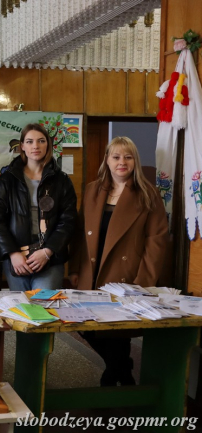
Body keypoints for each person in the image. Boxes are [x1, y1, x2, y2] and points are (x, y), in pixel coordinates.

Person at [69, 136, 170, 386]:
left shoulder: (148, 193)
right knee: (86, 326)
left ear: (135, 161)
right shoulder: (93, 190)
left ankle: (116, 377)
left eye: (128, 157)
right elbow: (80, 233)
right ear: (107, 160)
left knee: (118, 332)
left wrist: (143, 281)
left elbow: (156, 240)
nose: (121, 162)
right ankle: (122, 369)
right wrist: (74, 269)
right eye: (116, 157)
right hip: (90, 271)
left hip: (126, 274)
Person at [0, 123, 77, 291]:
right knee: (21, 305)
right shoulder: (8, 179)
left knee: (42, 304)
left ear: (48, 145)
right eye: (29, 141)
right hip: (17, 258)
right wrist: (13, 253)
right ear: (22, 146)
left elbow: (68, 221)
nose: (35, 146)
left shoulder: (62, 180)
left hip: (50, 258)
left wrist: (48, 251)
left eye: (41, 141)